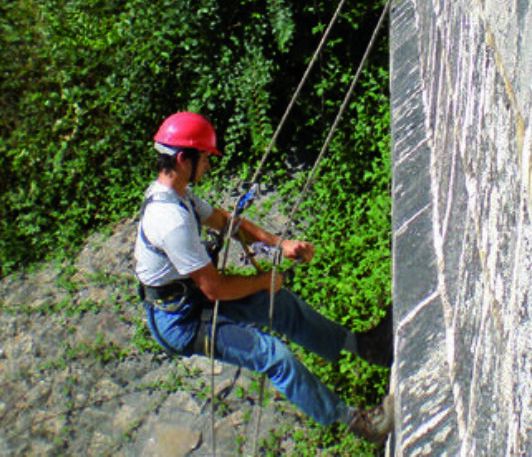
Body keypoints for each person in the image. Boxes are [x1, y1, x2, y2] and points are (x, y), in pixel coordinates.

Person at [133, 111, 394, 444]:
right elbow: (214, 288)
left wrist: (280, 244)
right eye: (205, 159)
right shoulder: (169, 219)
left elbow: (227, 222)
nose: (208, 166)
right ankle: (357, 422)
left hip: (190, 299)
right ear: (184, 159)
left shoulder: (178, 195)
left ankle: (366, 348)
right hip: (180, 322)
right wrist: (262, 282)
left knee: (279, 303)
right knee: (274, 356)